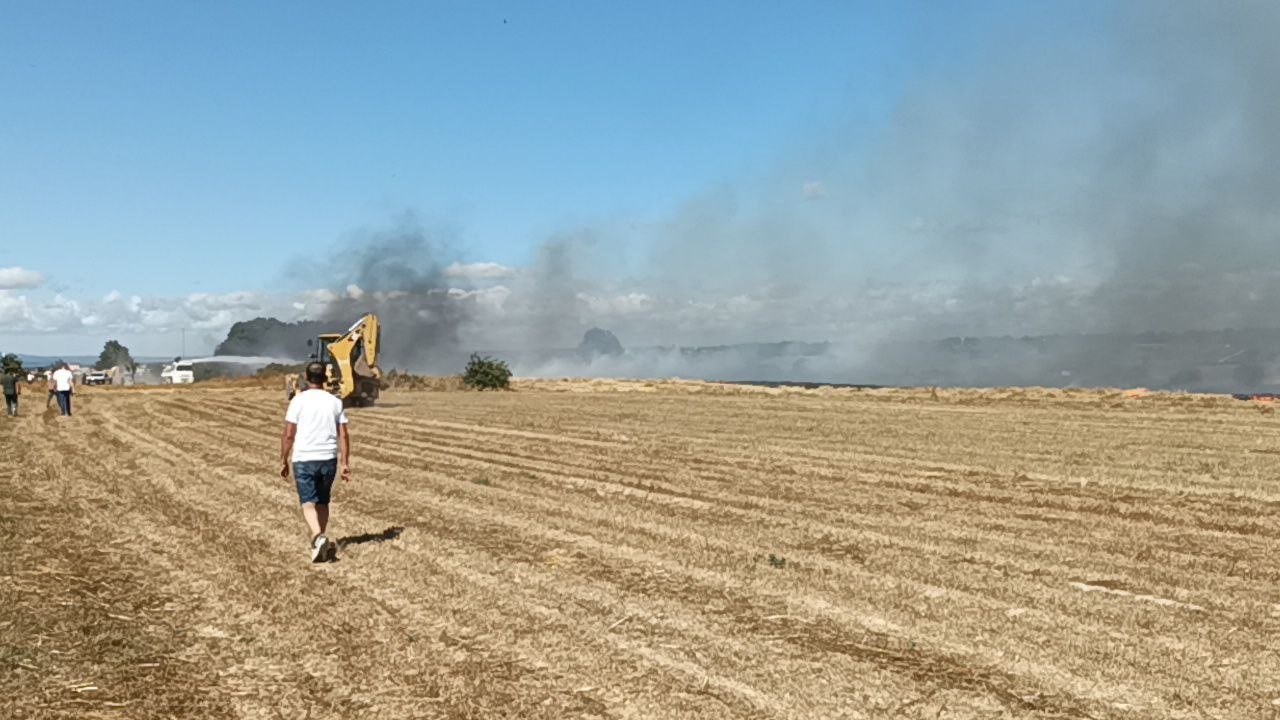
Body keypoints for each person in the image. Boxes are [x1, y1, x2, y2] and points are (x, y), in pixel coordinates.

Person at [279, 361, 352, 563]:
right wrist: (345, 463)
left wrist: (284, 459)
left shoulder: (298, 401)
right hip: (328, 458)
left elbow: (289, 435)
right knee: (322, 501)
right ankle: (320, 541)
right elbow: (344, 435)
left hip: (304, 458)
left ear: (306, 377)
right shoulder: (335, 402)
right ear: (325, 378)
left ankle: (318, 536)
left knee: (308, 502)